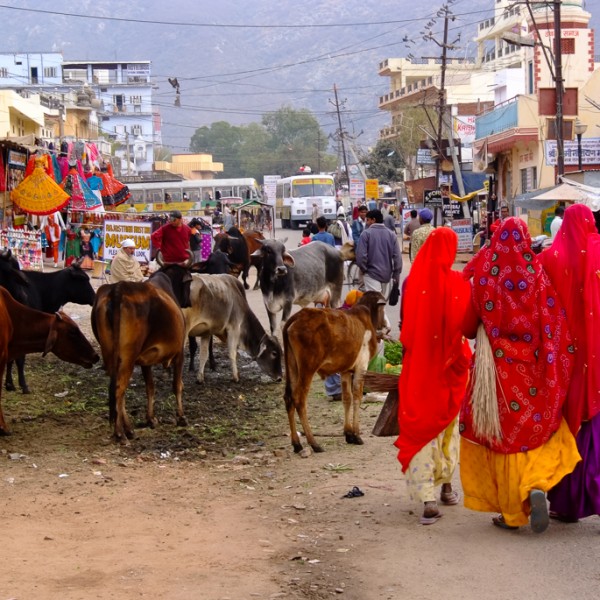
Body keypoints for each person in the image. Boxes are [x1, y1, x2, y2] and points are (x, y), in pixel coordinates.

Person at [459, 217, 580, 532]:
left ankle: (513, 512)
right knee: (535, 427)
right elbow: (553, 323)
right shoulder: (537, 274)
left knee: (504, 436)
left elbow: (468, 327)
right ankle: (537, 482)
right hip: (532, 368)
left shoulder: (485, 278)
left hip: (496, 370)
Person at [394, 228, 472, 525]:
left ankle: (427, 498)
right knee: (448, 428)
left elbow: (405, 329)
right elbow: (465, 326)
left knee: (421, 429)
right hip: (449, 370)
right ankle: (448, 488)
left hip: (419, 369)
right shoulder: (458, 281)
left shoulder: (412, 282)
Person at [538, 204, 600, 523]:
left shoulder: (550, 257)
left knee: (563, 422)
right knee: (593, 427)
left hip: (560, 356)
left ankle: (565, 502)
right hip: (596, 356)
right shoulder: (598, 256)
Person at [355, 209, 402, 299]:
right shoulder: (391, 235)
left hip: (371, 274)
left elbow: (360, 257)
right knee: (380, 303)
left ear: (373, 220)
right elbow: (397, 257)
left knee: (375, 305)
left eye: (367, 220)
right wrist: (396, 273)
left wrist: (365, 270)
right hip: (386, 275)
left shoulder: (365, 234)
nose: (367, 223)